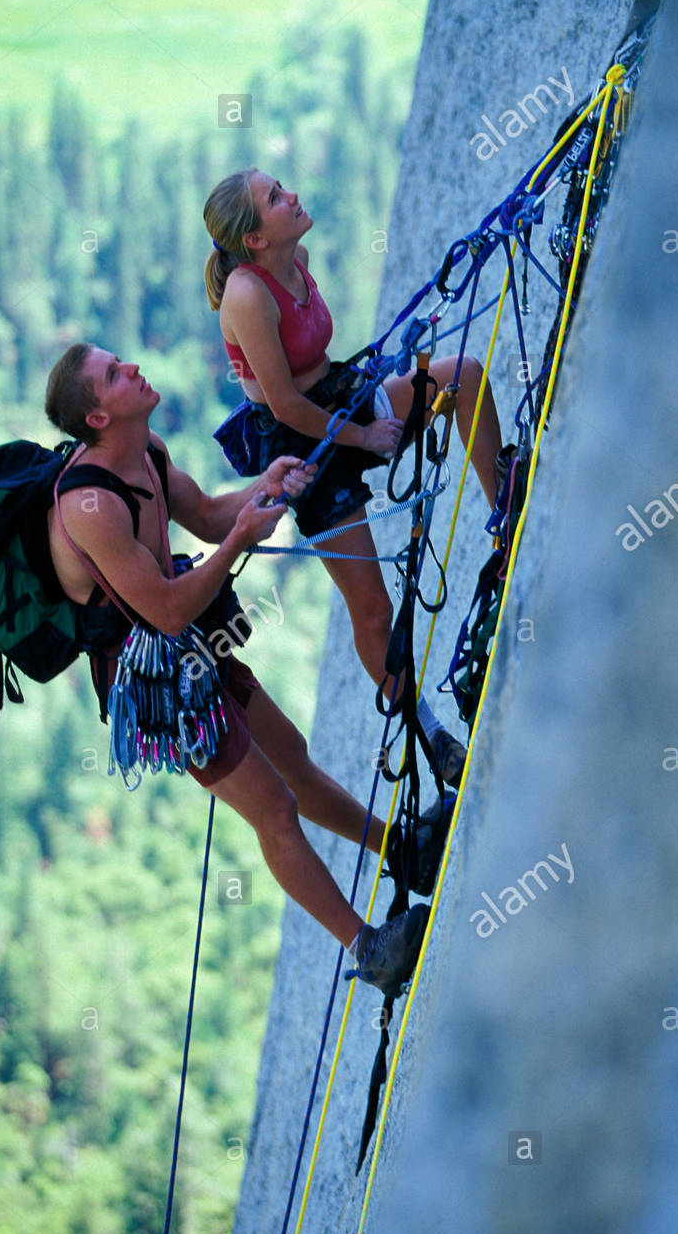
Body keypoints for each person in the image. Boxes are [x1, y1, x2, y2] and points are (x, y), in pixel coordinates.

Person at [43, 341, 437, 996]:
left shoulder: (144, 452)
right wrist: (239, 542)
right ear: (96, 418)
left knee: (293, 757)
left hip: (184, 653)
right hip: (152, 687)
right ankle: (368, 949)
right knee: (275, 809)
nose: (134, 369)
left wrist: (265, 485)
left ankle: (399, 848)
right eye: (113, 375)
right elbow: (167, 609)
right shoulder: (91, 507)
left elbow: (201, 514)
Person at [203, 168, 506, 788]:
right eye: (275, 198)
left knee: (462, 375)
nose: (292, 195)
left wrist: (364, 416)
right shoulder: (247, 295)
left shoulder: (299, 258)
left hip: (341, 399)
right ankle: (429, 730)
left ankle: (505, 512)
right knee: (372, 611)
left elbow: (316, 380)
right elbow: (285, 405)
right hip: (302, 447)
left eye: (282, 186)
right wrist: (366, 436)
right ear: (255, 239)